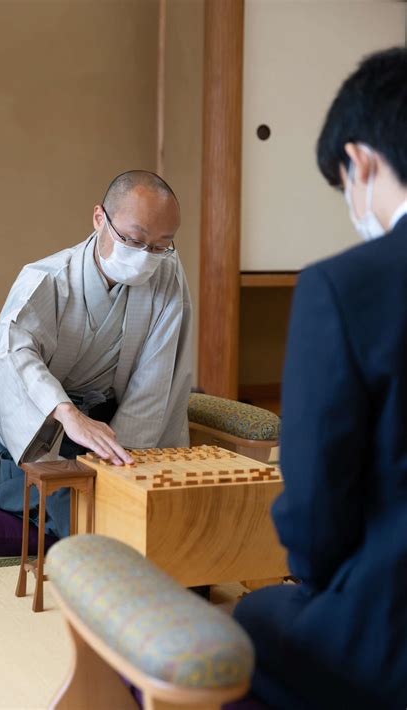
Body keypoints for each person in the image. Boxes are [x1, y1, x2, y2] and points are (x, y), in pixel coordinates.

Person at [234, 47, 407, 709]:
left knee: (252, 619)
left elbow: (313, 514)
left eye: (345, 186)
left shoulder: (343, 286)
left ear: (360, 160)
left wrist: (316, 580)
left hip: (390, 631)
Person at [0, 171, 192, 538]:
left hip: (108, 423)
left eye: (160, 245)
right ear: (100, 218)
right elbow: (14, 354)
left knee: (142, 505)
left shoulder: (166, 273)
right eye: (135, 240)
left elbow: (159, 371)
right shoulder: (48, 278)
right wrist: (65, 412)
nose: (146, 256)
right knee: (75, 509)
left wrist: (123, 462)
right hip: (42, 424)